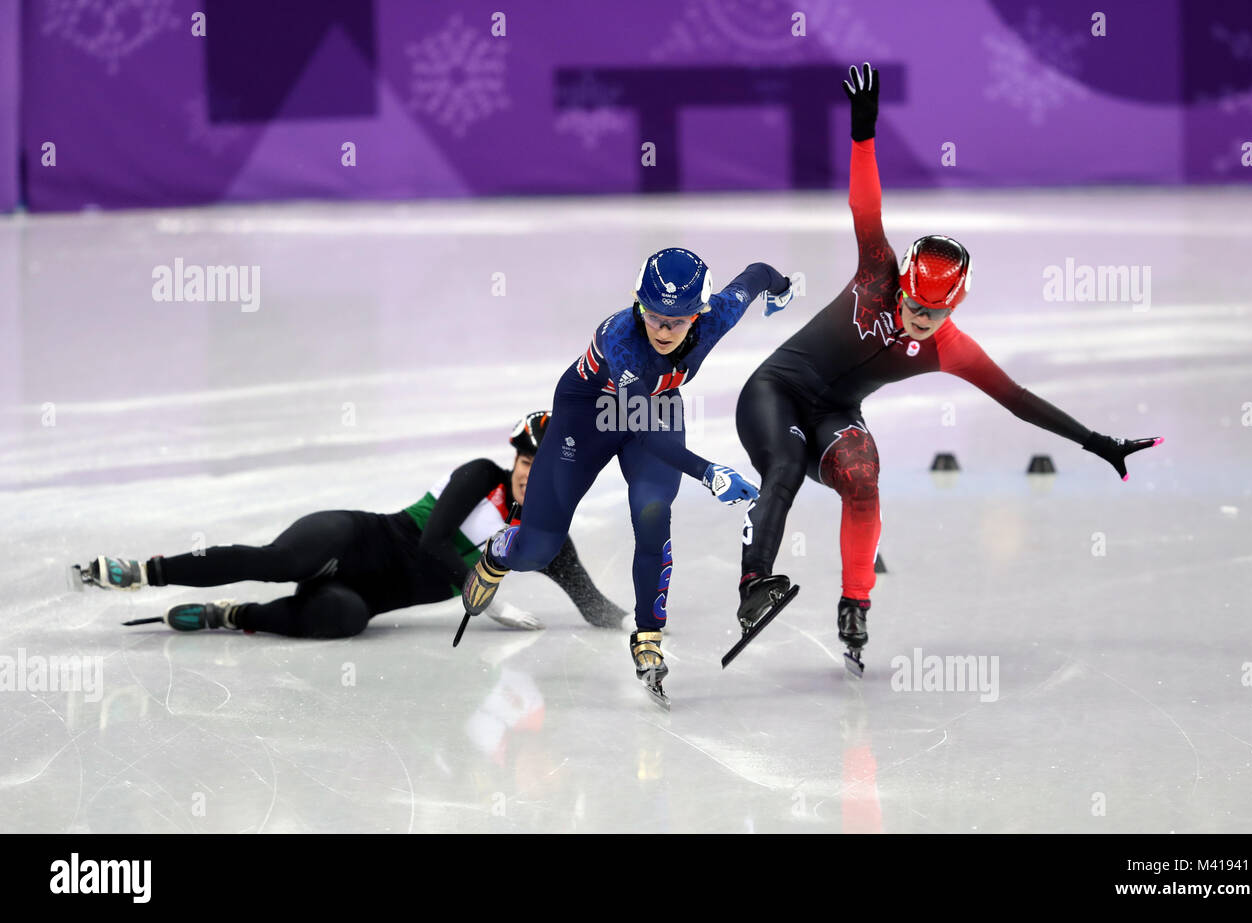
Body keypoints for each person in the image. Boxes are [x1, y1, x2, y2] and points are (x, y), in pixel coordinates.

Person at [732, 64, 1162, 672]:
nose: (917, 317)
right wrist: (863, 133)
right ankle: (754, 584)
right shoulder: (878, 270)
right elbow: (866, 206)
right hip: (772, 393)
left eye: (932, 312)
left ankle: (856, 603)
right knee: (784, 468)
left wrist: (1096, 442)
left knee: (863, 477)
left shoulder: (948, 346)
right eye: (910, 303)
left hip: (831, 415)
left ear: (954, 305)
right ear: (900, 283)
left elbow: (1016, 399)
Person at [458, 247, 792, 704]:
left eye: (676, 321)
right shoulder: (622, 339)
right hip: (588, 416)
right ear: (639, 304)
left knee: (653, 512)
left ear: (700, 314)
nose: (663, 330)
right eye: (653, 316)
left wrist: (782, 287)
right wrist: (707, 471)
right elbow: (642, 430)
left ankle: (647, 637)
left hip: (657, 407)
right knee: (538, 550)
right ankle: (501, 552)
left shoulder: (719, 314)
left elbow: (756, 274)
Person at [74, 411, 626, 636]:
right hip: (356, 539)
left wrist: (642, 622)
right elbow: (433, 540)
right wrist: (484, 597)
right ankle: (146, 571)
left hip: (370, 594)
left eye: (541, 466)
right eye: (525, 461)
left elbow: (594, 605)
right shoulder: (481, 474)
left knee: (345, 621)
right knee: (280, 562)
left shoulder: (549, 542)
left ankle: (230, 615)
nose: (529, 473)